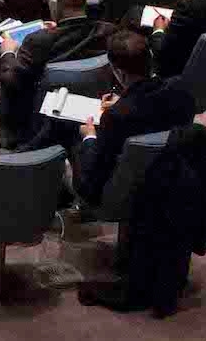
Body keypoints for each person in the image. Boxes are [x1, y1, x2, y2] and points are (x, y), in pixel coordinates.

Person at [65, 29, 198, 208]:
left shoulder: (115, 117)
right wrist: (123, 102)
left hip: (121, 191)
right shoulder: (182, 90)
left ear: (120, 73)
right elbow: (150, 108)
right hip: (170, 174)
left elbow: (96, 171)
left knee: (72, 141)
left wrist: (89, 136)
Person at [0, 0, 105, 145]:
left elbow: (11, 80)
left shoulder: (37, 42)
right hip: (89, 111)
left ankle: (9, 138)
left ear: (53, 3)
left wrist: (8, 51)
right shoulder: (106, 31)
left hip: (42, 120)